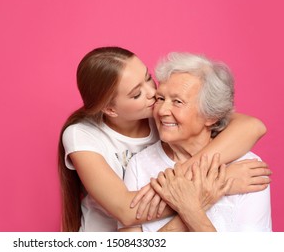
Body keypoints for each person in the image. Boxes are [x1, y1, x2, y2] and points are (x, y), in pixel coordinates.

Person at [58, 46, 270, 232]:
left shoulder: (161, 116)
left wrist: (194, 173)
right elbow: (126, 211)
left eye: (148, 77)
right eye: (136, 94)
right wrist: (218, 182)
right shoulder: (82, 135)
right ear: (110, 109)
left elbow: (251, 126)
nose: (152, 92)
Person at [119, 52, 272, 232]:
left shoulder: (247, 170)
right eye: (160, 99)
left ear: (211, 116)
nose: (162, 111)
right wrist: (199, 200)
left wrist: (191, 208)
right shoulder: (139, 165)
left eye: (177, 101)